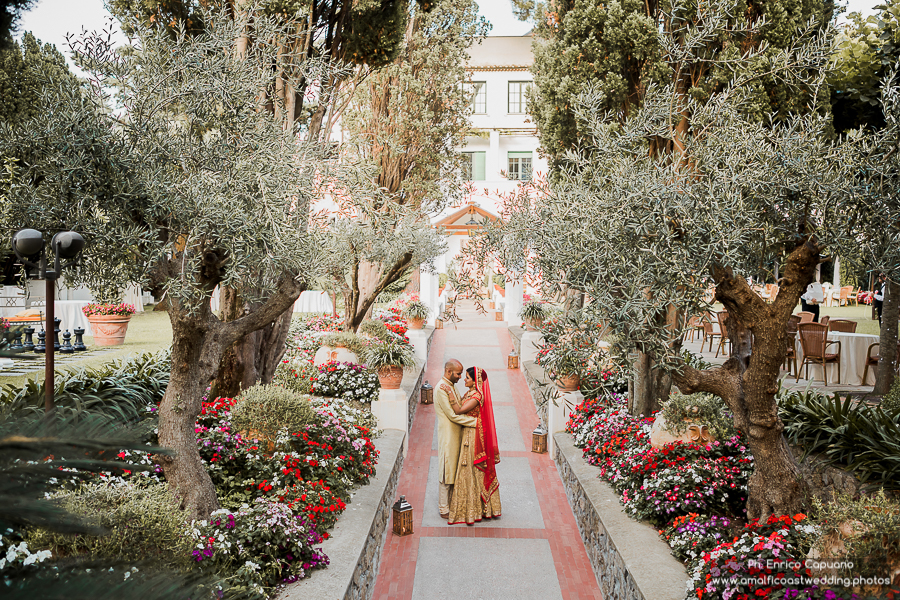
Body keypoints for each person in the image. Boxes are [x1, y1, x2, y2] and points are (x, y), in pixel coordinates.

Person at [446, 366, 502, 525]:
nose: (464, 379)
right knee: (468, 470)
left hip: (474, 438)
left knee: (471, 470)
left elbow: (459, 410)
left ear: (475, 381)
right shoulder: (470, 393)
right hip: (468, 434)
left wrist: (449, 392)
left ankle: (475, 511)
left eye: (467, 378)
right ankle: (473, 509)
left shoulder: (477, 396)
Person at [433, 359, 477, 519]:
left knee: (455, 468)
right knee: (446, 470)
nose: (460, 377)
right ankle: (443, 508)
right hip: (448, 435)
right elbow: (452, 415)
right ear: (449, 371)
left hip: (457, 434)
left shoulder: (450, 386)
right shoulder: (441, 389)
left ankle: (453, 503)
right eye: (458, 374)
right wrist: (476, 422)